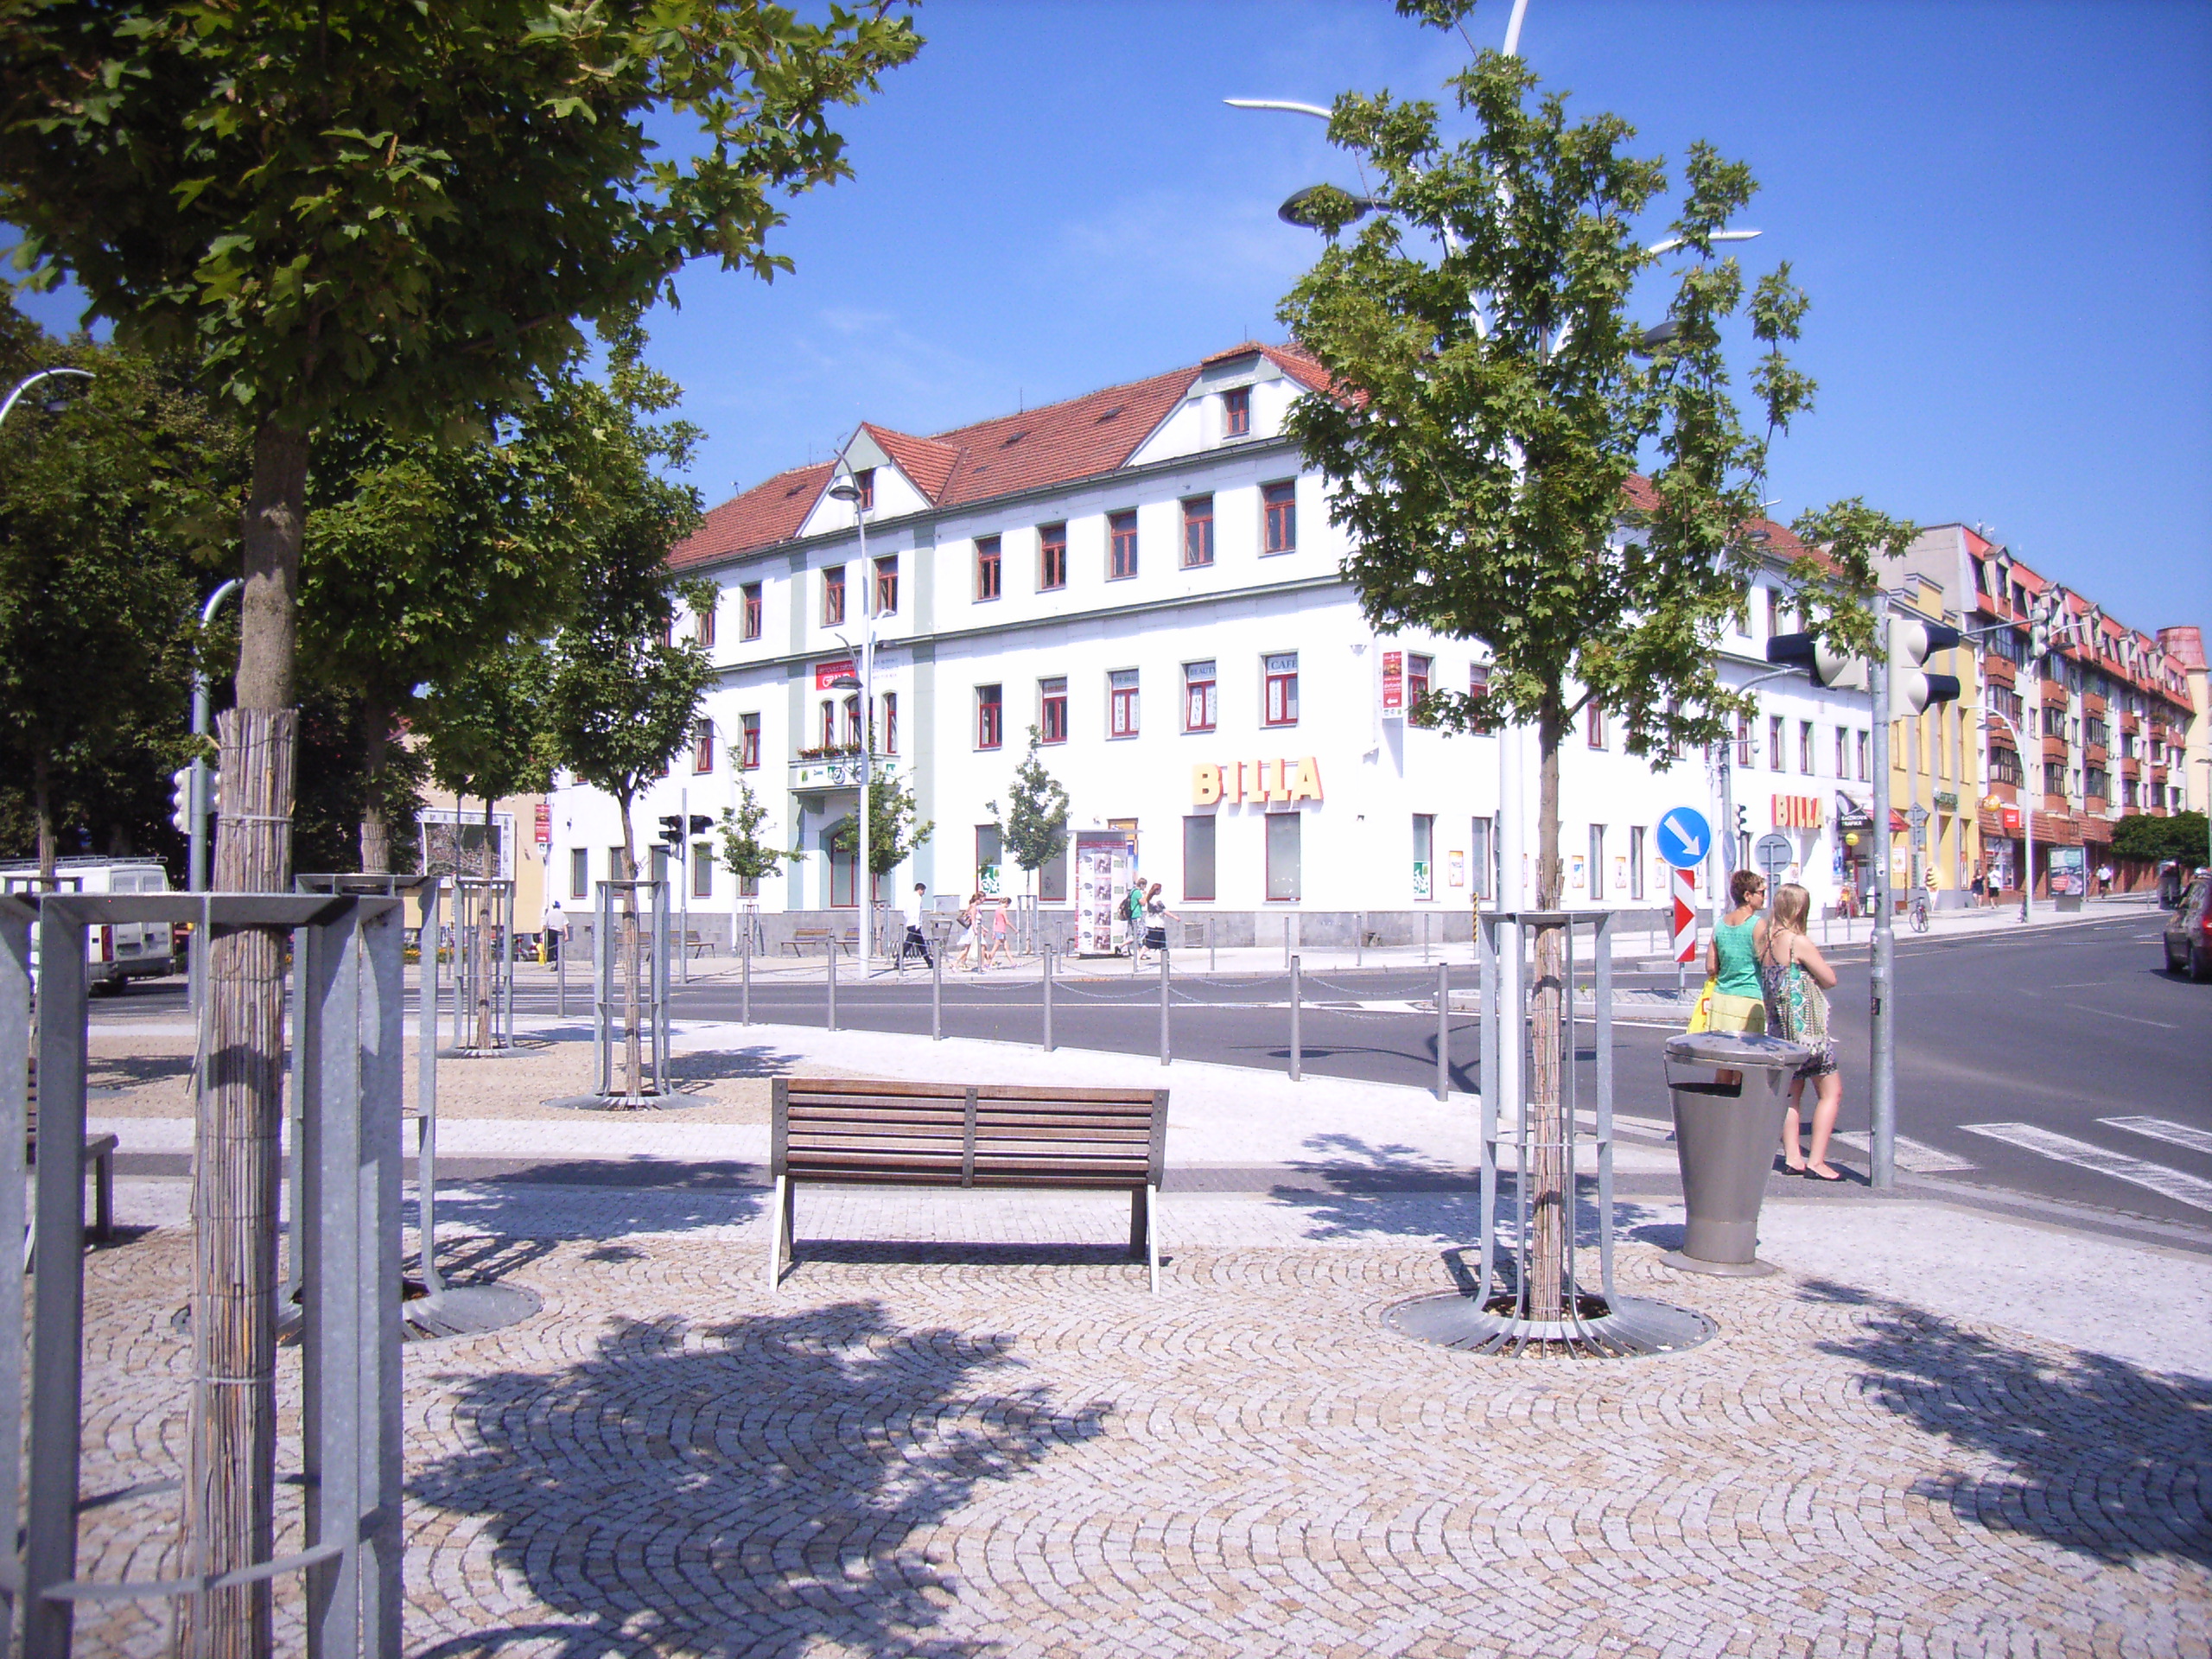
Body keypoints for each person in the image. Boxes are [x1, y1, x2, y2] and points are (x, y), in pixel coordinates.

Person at [1759, 882, 1844, 1180]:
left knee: (1791, 1094)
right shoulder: (1797, 942)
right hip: (1807, 1032)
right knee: (1831, 1092)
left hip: (1780, 1031)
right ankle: (1817, 1161)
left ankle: (1793, 1157)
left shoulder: (1766, 942)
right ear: (1799, 910)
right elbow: (1829, 979)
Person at [1703, 868, 1769, 1086]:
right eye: (1761, 892)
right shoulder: (1757, 925)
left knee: (1723, 1064)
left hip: (1722, 1000)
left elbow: (1711, 966)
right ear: (1748, 895)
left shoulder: (1720, 924)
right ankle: (1739, 1108)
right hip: (1748, 1001)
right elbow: (1767, 962)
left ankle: (1720, 1105)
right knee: (1744, 1066)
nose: (1764, 897)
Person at [902, 881, 932, 968]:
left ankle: (929, 962)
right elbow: (917, 912)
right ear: (920, 890)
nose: (923, 893)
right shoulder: (917, 898)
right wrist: (917, 924)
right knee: (908, 945)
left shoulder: (910, 897)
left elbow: (905, 912)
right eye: (923, 891)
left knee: (921, 944)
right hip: (915, 925)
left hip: (910, 923)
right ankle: (898, 960)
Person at [1142, 881, 1172, 962]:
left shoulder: (1150, 898)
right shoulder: (1156, 900)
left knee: (1162, 944)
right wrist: (1175, 917)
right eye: (1160, 889)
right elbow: (1164, 910)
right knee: (1150, 944)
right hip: (1156, 925)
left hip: (1156, 925)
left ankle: (1165, 960)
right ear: (1156, 890)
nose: (1161, 891)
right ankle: (1138, 957)